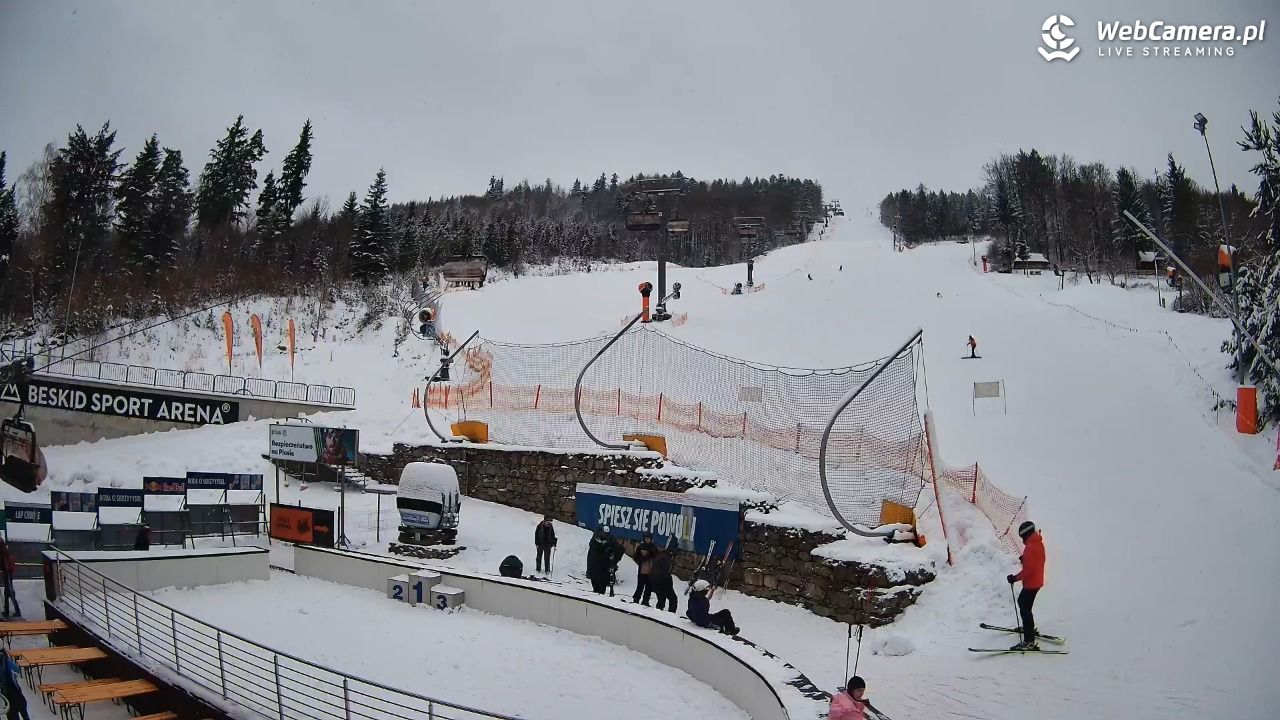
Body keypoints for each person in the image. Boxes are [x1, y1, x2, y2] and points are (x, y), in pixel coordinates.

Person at [1006, 520, 1045, 650]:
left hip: (1031, 583)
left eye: (1023, 536)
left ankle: (1029, 640)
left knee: (1024, 607)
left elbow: (1028, 571)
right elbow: (1038, 559)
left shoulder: (1030, 547)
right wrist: (1026, 559)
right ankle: (1028, 628)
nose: (1022, 539)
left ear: (1027, 534)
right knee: (1024, 605)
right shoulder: (1038, 543)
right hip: (1037, 581)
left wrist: (1014, 578)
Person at [585, 526, 622, 595]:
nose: (605, 535)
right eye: (604, 533)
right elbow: (592, 551)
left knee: (602, 585)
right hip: (595, 565)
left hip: (605, 566)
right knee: (595, 582)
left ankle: (600, 593)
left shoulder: (612, 540)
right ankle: (596, 592)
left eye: (607, 534)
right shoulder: (596, 539)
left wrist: (613, 560)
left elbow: (617, 551)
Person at [0, 648, 28, 720]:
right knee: (24, 714)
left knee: (13, 715)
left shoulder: (5, 661)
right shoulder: (6, 660)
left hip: (6, 696)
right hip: (16, 693)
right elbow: (17, 670)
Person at [649, 544, 678, 613]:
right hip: (663, 582)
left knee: (661, 599)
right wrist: (669, 583)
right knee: (673, 599)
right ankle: (671, 615)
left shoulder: (660, 556)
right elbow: (665, 573)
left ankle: (658, 614)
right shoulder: (666, 559)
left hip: (655, 582)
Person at [631, 532, 658, 605]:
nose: (647, 540)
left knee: (648, 588)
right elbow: (636, 557)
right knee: (640, 586)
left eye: (648, 538)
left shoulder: (654, 547)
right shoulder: (640, 547)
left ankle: (645, 601)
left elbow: (657, 558)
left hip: (651, 571)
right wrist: (643, 559)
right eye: (646, 538)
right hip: (642, 570)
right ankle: (636, 599)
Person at [0, 541, 18, 619]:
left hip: (7, 572)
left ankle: (17, 611)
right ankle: (8, 611)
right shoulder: (4, 549)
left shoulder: (3, 550)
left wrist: (5, 569)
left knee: (9, 592)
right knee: (7, 593)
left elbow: (4, 562)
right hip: (7, 572)